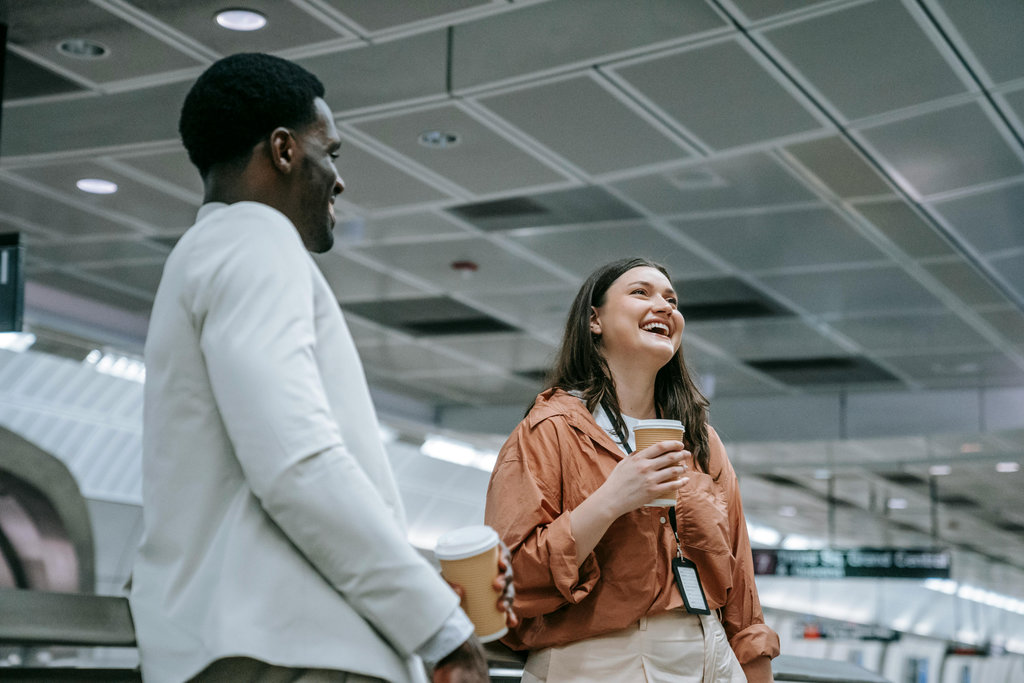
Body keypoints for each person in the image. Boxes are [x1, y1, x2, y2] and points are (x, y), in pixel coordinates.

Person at [129, 53, 513, 683]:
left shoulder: (207, 252)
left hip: (247, 642)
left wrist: (429, 586)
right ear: (283, 150)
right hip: (292, 653)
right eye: (329, 152)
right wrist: (440, 630)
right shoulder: (255, 237)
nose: (337, 178)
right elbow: (295, 462)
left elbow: (265, 487)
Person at [484, 257, 780, 682]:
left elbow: (741, 586)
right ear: (594, 320)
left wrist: (755, 671)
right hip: (596, 659)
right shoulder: (550, 430)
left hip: (708, 651)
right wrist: (610, 500)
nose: (665, 307)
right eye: (641, 292)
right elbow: (511, 579)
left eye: (671, 300)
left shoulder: (700, 440)